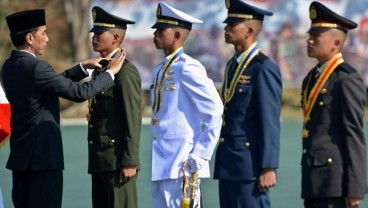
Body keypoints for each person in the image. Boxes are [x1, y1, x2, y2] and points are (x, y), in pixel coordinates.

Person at [1, 9, 126, 208]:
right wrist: (109, 74)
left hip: (22, 158)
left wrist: (82, 67)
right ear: (30, 38)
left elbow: (48, 84)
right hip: (43, 160)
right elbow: (79, 93)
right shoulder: (36, 67)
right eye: (44, 33)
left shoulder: (9, 66)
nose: (48, 39)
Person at [150, 2, 223, 207]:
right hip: (161, 164)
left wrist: (200, 155)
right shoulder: (159, 69)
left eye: (161, 29)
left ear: (177, 35)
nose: (155, 33)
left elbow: (215, 111)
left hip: (182, 165)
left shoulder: (188, 68)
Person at [213, 0, 282, 207]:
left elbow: (270, 120)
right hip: (229, 164)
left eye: (232, 24)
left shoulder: (263, 68)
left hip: (249, 168)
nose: (226, 28)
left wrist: (268, 166)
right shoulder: (233, 65)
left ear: (249, 30)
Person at [300, 2, 367, 208]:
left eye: (316, 36)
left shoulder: (346, 79)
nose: (309, 40)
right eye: (310, 34)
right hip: (314, 181)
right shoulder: (311, 78)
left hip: (336, 183)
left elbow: (353, 134)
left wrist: (355, 189)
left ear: (335, 43)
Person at [86, 6, 142, 208]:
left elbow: (132, 117)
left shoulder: (125, 71)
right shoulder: (102, 70)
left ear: (116, 38)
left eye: (99, 33)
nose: (94, 37)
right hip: (101, 160)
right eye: (93, 33)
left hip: (118, 162)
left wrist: (130, 161)